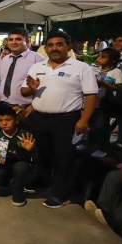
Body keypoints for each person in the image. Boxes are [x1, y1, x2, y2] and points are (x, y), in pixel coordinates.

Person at [21, 30, 98, 209]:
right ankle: (47, 183)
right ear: (45, 48)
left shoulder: (81, 68)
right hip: (39, 119)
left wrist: (84, 120)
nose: (54, 48)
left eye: (59, 44)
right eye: (50, 45)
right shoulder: (37, 67)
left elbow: (92, 96)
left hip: (66, 120)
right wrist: (31, 89)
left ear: (68, 46)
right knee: (43, 154)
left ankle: (61, 195)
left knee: (65, 158)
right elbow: (24, 91)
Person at [0, 108, 37, 207]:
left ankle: (18, 192)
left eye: (8, 120)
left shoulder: (25, 135)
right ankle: (5, 185)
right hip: (3, 162)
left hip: (21, 162)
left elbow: (37, 157)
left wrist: (30, 150)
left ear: (16, 120)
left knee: (21, 168)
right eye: (0, 120)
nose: (4, 123)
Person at [78, 48, 122, 158]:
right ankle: (90, 143)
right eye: (99, 56)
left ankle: (103, 148)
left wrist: (104, 84)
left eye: (103, 57)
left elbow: (121, 87)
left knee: (102, 125)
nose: (99, 59)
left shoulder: (116, 72)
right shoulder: (94, 69)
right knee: (92, 124)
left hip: (105, 102)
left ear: (112, 61)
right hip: (93, 102)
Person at [0, 29, 46, 117]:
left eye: (18, 39)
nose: (14, 42)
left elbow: (47, 85)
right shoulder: (4, 60)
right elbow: (1, 80)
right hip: (2, 106)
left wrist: (34, 105)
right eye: (11, 39)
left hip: (24, 109)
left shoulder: (38, 59)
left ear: (27, 41)